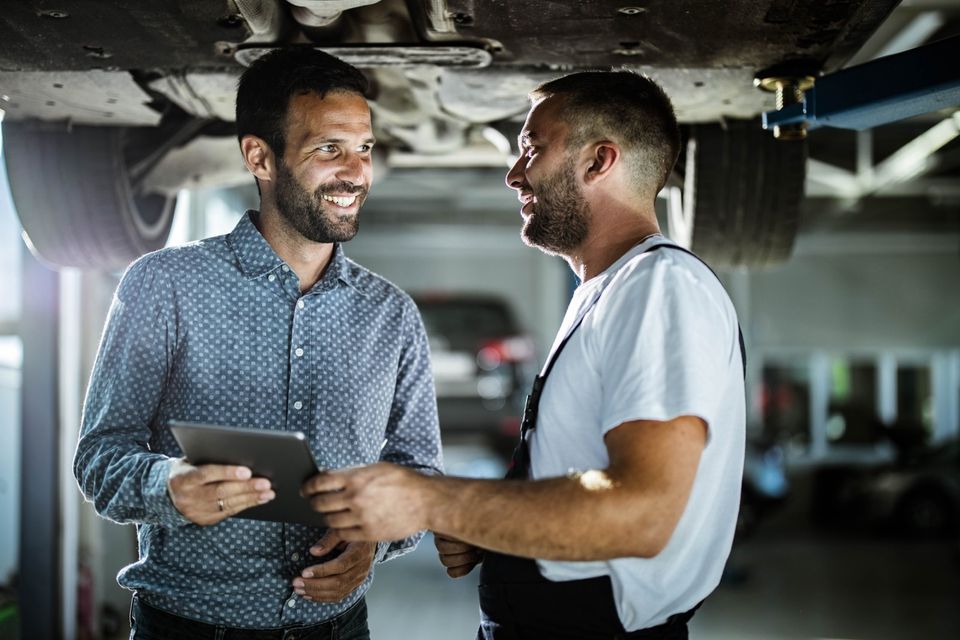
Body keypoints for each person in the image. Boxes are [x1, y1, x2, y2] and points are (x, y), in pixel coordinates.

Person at [302, 70, 746, 639]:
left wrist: (433, 500)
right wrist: (492, 521)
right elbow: (578, 470)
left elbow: (642, 512)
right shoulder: (612, 290)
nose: (514, 175)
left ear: (598, 161)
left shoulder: (658, 285)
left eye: (532, 149)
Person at [73, 47, 442, 639]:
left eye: (364, 148)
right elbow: (100, 459)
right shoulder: (165, 284)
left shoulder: (391, 314)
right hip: (188, 627)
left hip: (338, 628)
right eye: (329, 149)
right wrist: (165, 486)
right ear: (259, 157)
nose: (355, 172)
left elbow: (418, 472)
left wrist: (378, 537)